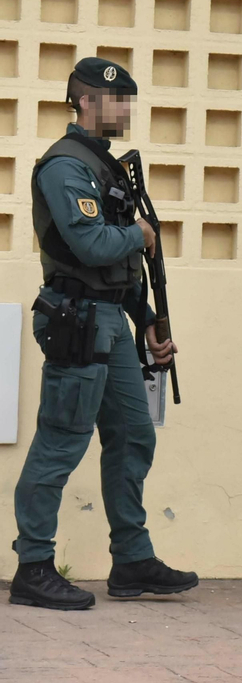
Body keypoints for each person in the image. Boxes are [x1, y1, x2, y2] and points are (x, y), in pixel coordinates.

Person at [9, 58, 196, 611]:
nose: (126, 110)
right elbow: (92, 247)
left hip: (111, 320)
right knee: (61, 441)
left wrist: (150, 324)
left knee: (135, 436)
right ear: (86, 100)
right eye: (119, 100)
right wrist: (138, 233)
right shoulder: (65, 167)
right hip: (77, 320)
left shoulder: (104, 166)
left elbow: (120, 270)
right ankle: (34, 565)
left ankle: (132, 560)